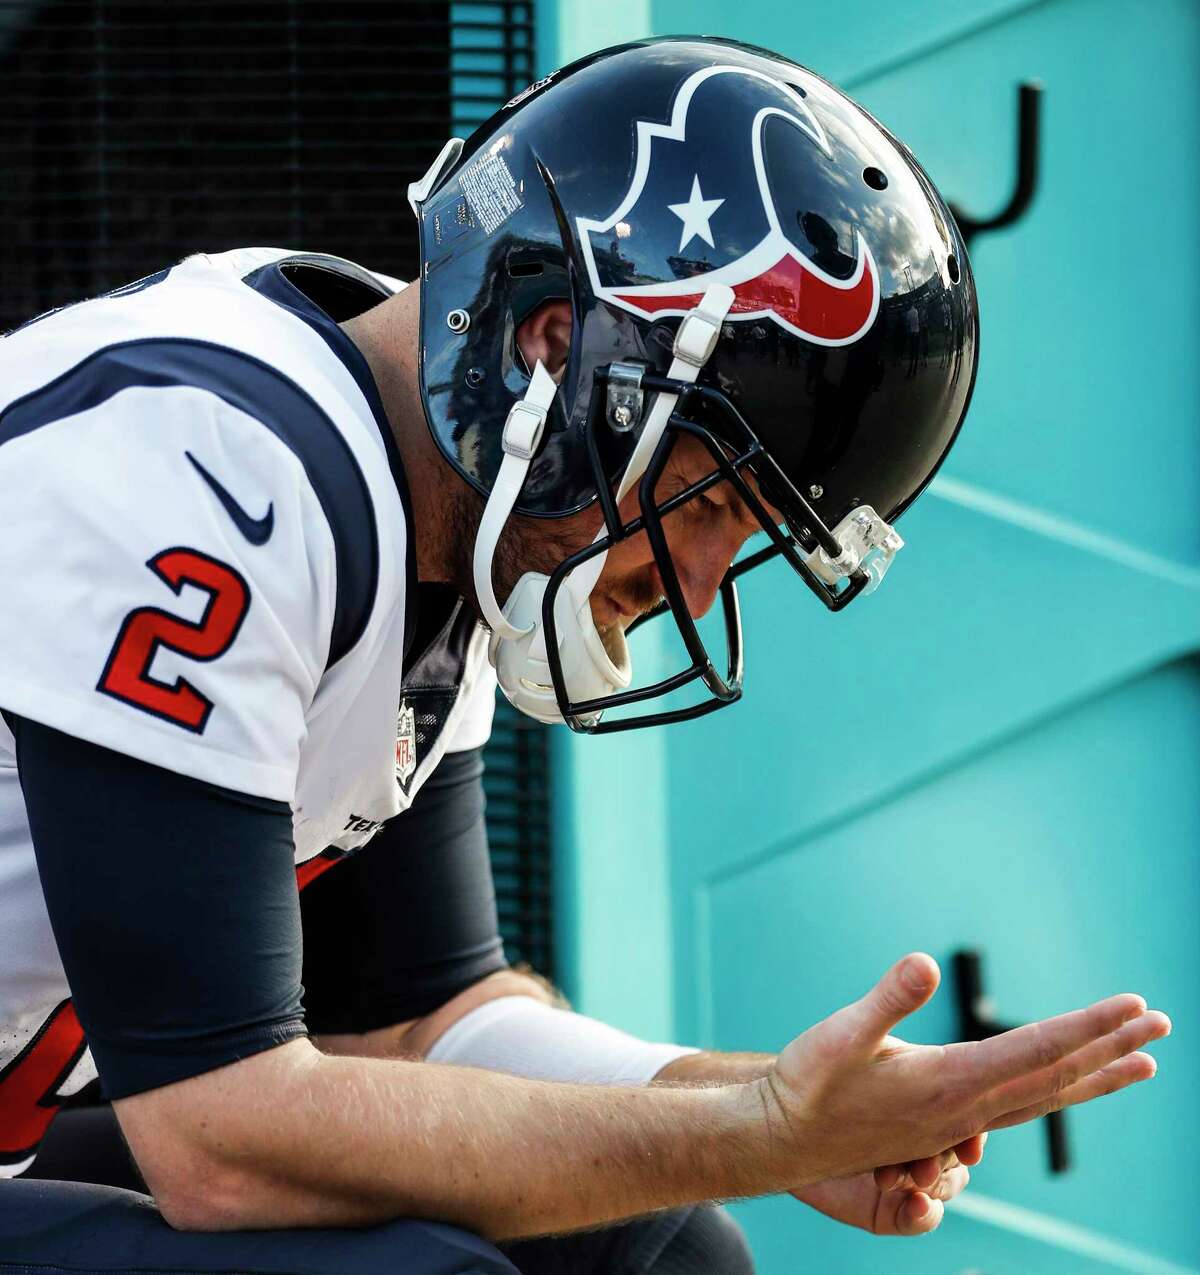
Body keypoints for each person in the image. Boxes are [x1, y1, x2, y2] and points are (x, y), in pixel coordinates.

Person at [0, 35, 1168, 1274]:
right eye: (713, 501)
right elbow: (221, 1140)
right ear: (554, 353)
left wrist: (789, 1108)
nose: (703, 580)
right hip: (159, 1124)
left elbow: (422, 1023)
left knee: (663, 1250)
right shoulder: (212, 469)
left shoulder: (420, 514)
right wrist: (746, 1133)